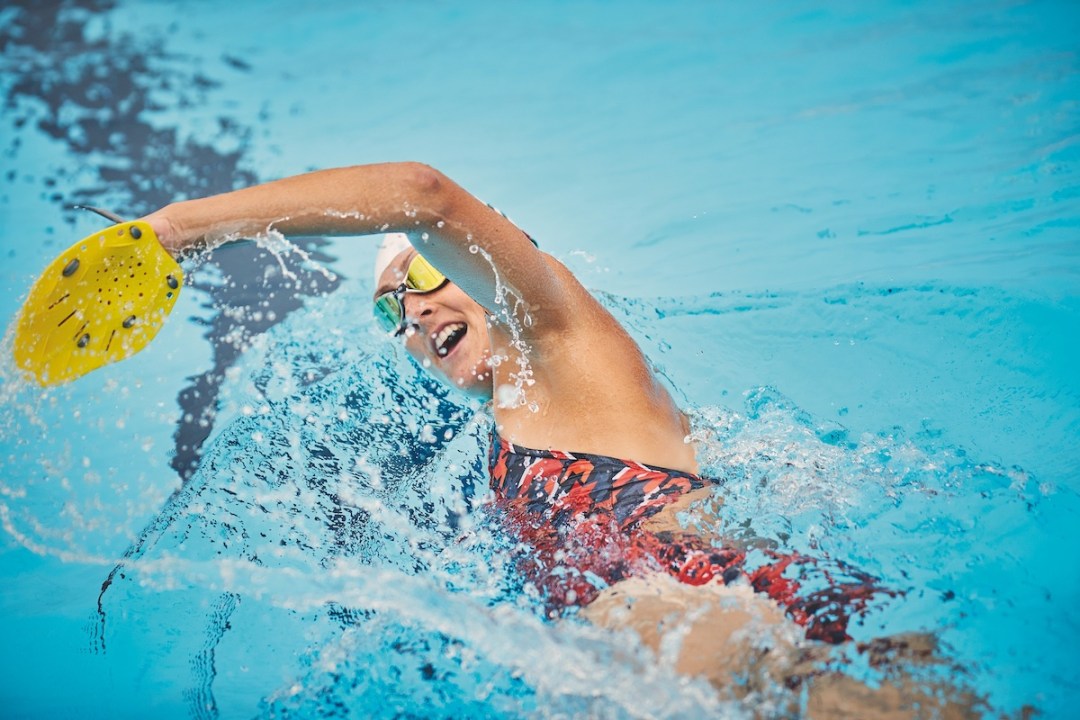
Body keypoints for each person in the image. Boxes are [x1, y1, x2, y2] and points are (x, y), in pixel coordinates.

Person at [142, 162, 980, 717]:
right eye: (390, 309)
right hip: (782, 593)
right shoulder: (519, 421)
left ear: (483, 269)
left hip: (684, 605)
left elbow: (419, 192)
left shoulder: (561, 342)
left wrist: (183, 229)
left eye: (428, 279)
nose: (417, 311)